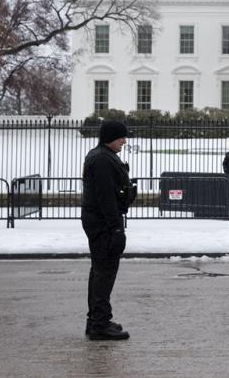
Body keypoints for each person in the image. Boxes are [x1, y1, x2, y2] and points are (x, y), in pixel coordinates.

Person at [81, 120, 136, 340]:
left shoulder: (100, 155)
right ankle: (99, 325)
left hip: (98, 221)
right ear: (110, 138)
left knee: (99, 271)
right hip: (103, 223)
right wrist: (116, 230)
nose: (124, 140)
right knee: (104, 272)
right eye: (121, 137)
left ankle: (97, 319)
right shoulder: (102, 159)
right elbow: (106, 199)